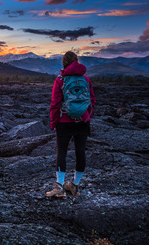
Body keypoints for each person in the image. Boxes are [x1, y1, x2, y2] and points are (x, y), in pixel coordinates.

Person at [46, 51, 96, 198]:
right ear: (76, 61)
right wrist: (87, 116)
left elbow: (55, 104)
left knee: (61, 151)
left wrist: (54, 122)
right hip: (83, 121)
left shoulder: (60, 80)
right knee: (80, 151)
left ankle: (59, 187)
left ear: (64, 63)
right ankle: (74, 185)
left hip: (64, 122)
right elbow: (92, 101)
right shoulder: (86, 79)